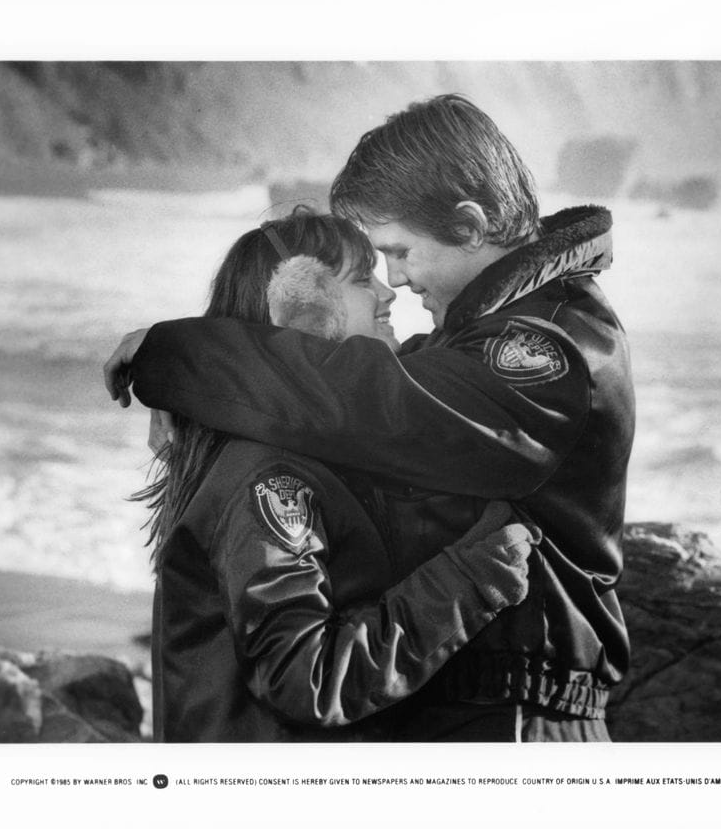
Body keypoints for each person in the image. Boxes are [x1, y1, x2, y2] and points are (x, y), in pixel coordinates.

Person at [105, 95, 635, 741]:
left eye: (401, 252)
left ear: (469, 225)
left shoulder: (543, 350)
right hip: (482, 712)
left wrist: (180, 359)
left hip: (520, 721)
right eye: (371, 269)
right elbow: (360, 392)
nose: (395, 283)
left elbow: (374, 399)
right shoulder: (475, 349)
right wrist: (192, 389)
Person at [136, 208, 540, 742]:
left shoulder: (305, 449)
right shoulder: (272, 477)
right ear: (299, 310)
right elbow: (306, 679)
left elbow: (427, 379)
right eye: (359, 279)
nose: (388, 292)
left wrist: (171, 357)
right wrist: (470, 580)